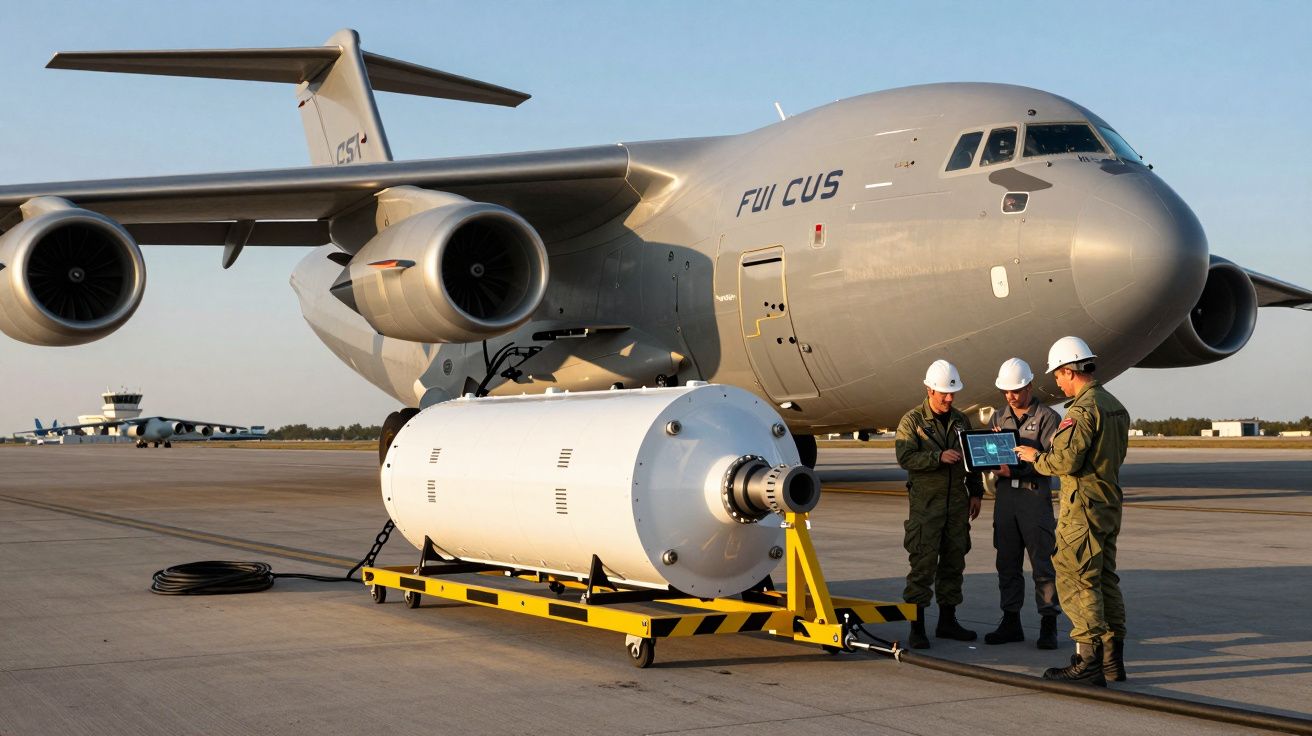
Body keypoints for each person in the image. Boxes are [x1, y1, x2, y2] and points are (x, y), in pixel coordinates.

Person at [1015, 337, 1130, 686]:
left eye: (1059, 376)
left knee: (1078, 580)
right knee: (1105, 578)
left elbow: (1065, 460)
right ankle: (1113, 660)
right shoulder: (1115, 406)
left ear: (1070, 371)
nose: (1057, 383)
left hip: (1082, 510)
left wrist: (1037, 457)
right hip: (1108, 504)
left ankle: (1087, 661)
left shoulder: (1081, 411)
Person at [895, 359, 984, 649]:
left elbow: (972, 461)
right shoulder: (912, 422)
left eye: (952, 393)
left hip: (957, 506)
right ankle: (917, 625)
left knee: (953, 562)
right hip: (926, 508)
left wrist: (976, 493)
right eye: (944, 393)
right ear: (929, 389)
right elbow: (905, 458)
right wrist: (937, 457)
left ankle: (948, 621)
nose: (949, 398)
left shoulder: (961, 420)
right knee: (922, 565)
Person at [984, 358, 1062, 650]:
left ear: (1029, 385)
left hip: (1033, 498)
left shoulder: (1047, 418)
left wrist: (1017, 468)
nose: (1010, 396)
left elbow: (1051, 462)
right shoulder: (997, 417)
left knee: (1042, 563)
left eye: (1016, 390)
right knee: (1007, 562)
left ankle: (1048, 622)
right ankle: (1010, 620)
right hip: (1005, 499)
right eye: (1006, 391)